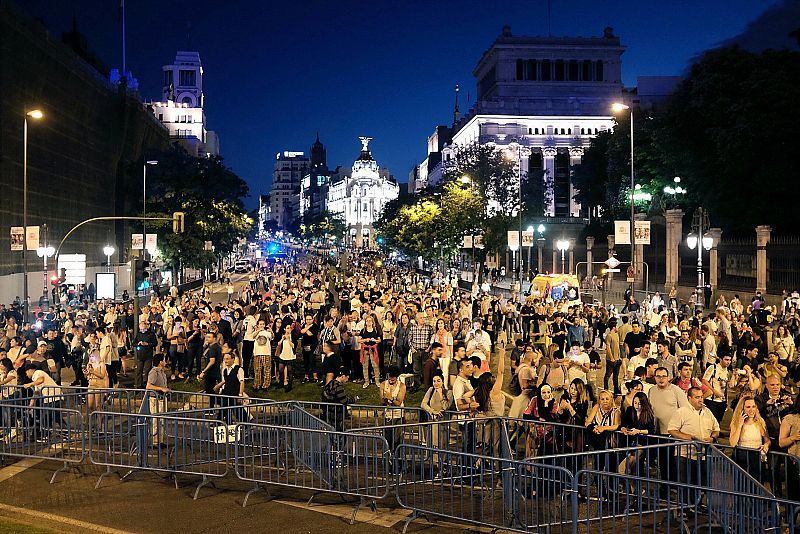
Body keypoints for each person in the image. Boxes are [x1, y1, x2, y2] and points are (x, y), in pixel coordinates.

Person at [668, 387, 720, 493]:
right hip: (685, 455)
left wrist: (712, 438)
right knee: (686, 484)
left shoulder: (707, 411)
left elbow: (717, 429)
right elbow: (672, 430)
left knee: (702, 483)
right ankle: (685, 507)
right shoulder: (681, 412)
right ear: (689, 398)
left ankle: (698, 505)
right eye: (697, 397)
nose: (701, 399)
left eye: (701, 396)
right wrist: (690, 438)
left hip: (703, 455)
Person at [728, 395, 770, 482]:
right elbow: (732, 443)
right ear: (742, 409)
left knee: (757, 487)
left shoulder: (760, 421)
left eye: (753, 406)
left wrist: (766, 445)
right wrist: (740, 425)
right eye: (748, 407)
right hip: (741, 458)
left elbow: (767, 440)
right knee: (742, 486)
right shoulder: (736, 423)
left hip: (757, 457)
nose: (751, 410)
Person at [619, 392, 656, 473]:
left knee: (632, 460)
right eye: (635, 403)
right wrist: (624, 429)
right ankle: (629, 481)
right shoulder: (629, 410)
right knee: (628, 463)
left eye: (639, 403)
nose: (637, 405)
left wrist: (638, 431)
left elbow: (650, 430)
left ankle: (628, 478)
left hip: (642, 442)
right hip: (629, 440)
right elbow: (623, 424)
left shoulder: (648, 414)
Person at [214, 350, 246, 424]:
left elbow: (242, 382)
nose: (225, 361)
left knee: (238, 411)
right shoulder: (225, 370)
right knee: (224, 409)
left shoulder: (238, 369)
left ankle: (246, 425)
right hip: (226, 393)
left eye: (227, 359)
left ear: (233, 359)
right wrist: (219, 386)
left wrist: (240, 395)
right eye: (224, 359)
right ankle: (226, 424)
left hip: (234, 394)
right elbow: (225, 381)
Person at [701, 350, 732, 424]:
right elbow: (704, 380)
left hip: (722, 400)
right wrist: (714, 391)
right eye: (726, 359)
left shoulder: (728, 371)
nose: (728, 362)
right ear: (721, 359)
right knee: (709, 420)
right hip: (711, 399)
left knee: (718, 420)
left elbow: (730, 385)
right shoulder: (713, 367)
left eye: (730, 360)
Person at [145, 355, 169, 447]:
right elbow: (148, 386)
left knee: (162, 420)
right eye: (164, 359)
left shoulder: (162, 372)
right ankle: (155, 442)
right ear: (160, 362)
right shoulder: (154, 372)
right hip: (155, 400)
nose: (166, 361)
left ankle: (160, 441)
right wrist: (161, 389)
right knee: (155, 421)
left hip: (162, 399)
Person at [321, 367, 353, 432]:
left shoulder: (330, 383)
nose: (347, 380)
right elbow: (344, 401)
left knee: (332, 432)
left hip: (328, 413)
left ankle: (333, 441)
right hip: (336, 414)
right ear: (343, 376)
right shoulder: (338, 386)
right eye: (347, 377)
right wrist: (354, 400)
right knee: (340, 432)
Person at [198, 332, 222, 408]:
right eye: (206, 337)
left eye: (209, 337)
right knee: (212, 392)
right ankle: (212, 409)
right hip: (216, 372)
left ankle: (221, 407)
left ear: (214, 338)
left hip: (211, 374)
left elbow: (212, 361)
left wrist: (203, 371)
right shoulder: (217, 347)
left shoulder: (212, 348)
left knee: (210, 392)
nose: (207, 339)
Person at [133, 320, 157, 389]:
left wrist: (148, 344)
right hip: (140, 356)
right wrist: (138, 343)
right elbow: (134, 343)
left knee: (147, 371)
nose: (142, 330)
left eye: (143, 329)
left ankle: (147, 384)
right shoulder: (138, 334)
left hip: (148, 355)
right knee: (138, 371)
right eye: (141, 329)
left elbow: (155, 343)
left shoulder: (151, 334)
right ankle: (138, 385)